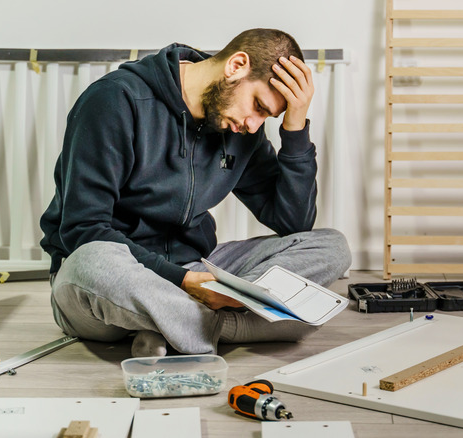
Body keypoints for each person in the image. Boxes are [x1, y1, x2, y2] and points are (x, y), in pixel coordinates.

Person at [39, 29, 351, 357]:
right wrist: (183, 281)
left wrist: (296, 127)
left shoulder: (241, 131)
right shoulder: (116, 100)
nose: (254, 125)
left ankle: (170, 327)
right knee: (90, 261)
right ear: (236, 66)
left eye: (267, 117)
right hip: (122, 276)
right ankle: (233, 327)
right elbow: (84, 230)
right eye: (258, 105)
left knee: (332, 246)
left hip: (196, 272)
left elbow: (294, 223)